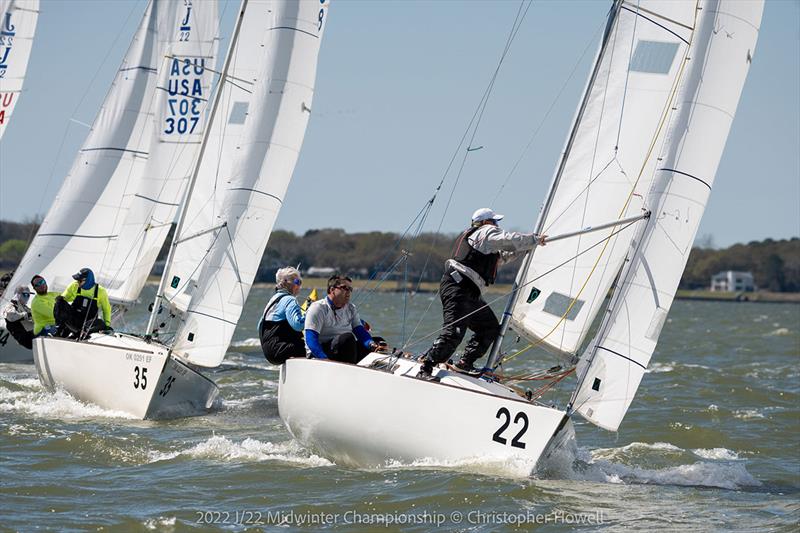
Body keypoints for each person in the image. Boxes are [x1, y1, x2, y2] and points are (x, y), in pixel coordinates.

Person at [417, 208, 546, 380]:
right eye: (495, 221)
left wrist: (529, 245)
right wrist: (533, 239)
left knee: (489, 328)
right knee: (453, 332)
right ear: (486, 222)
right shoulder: (484, 232)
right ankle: (425, 367)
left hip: (470, 293)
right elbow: (506, 240)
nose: (497, 225)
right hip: (458, 287)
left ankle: (464, 363)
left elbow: (503, 256)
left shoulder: (484, 243)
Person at [304, 274, 383, 364]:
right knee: (347, 338)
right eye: (344, 288)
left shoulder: (351, 308)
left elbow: (360, 331)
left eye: (350, 289)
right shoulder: (318, 308)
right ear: (332, 290)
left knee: (378, 341)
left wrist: (371, 344)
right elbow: (311, 339)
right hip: (319, 355)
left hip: (344, 349)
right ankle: (350, 372)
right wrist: (324, 360)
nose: (348, 292)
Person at [258, 266, 306, 365]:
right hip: (282, 350)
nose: (299, 286)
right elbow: (298, 325)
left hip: (269, 353)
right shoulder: (290, 300)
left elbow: (259, 326)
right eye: (298, 282)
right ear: (287, 283)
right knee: (312, 346)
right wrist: (309, 314)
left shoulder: (273, 300)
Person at [54, 268, 112, 339]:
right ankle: (59, 331)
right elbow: (63, 299)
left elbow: (106, 309)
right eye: (77, 280)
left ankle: (80, 335)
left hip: (88, 323)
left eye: (80, 281)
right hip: (74, 319)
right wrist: (60, 300)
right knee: (59, 302)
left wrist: (107, 325)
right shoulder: (74, 286)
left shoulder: (101, 291)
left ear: (88, 280)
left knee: (101, 323)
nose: (77, 282)